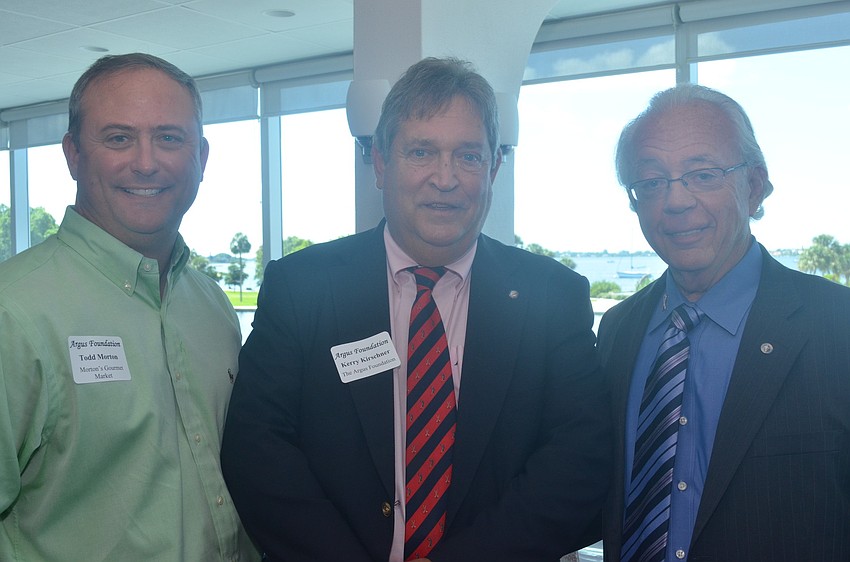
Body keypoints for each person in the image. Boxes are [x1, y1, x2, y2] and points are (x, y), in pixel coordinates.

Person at [220, 57, 610, 562]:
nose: (445, 179)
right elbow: (257, 448)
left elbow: (579, 457)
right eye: (421, 152)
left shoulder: (553, 296)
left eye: (468, 156)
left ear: (493, 169)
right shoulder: (303, 287)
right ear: (381, 164)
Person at [0, 53, 258, 561]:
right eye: (118, 138)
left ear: (201, 157)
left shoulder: (211, 306)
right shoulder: (13, 313)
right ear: (73, 154)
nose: (145, 162)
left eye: (169, 138)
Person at [598, 83, 850, 562]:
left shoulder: (839, 326)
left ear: (754, 187)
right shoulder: (617, 331)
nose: (675, 200)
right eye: (651, 182)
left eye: (703, 175)